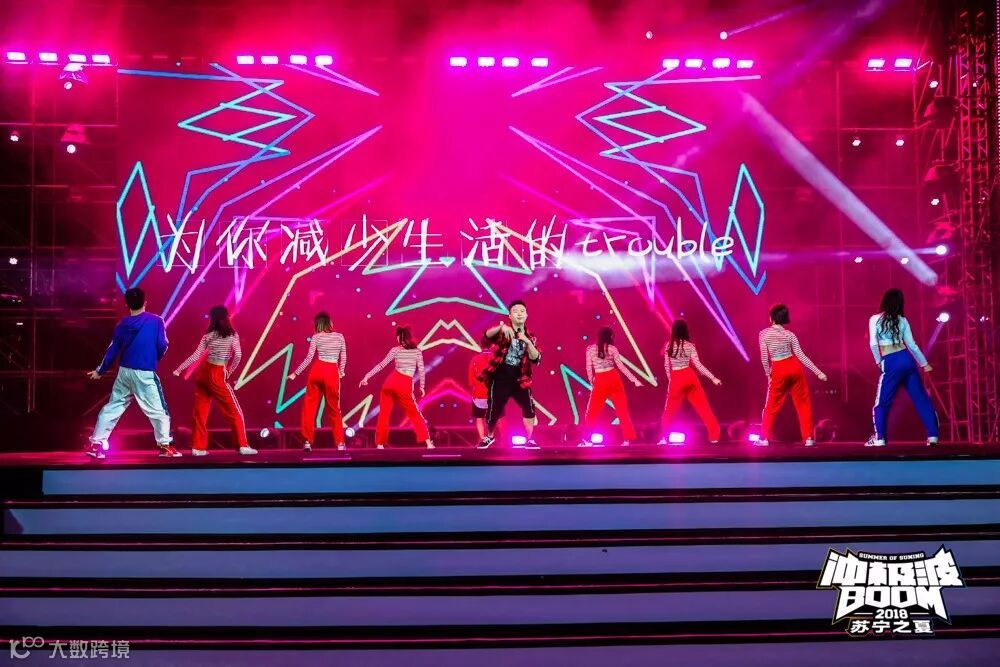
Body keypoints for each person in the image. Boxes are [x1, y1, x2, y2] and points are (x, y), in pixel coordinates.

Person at [86, 288, 179, 458]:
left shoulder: (122, 325)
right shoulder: (156, 321)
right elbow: (163, 345)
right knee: (158, 410)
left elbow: (113, 349)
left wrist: (100, 370)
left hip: (125, 372)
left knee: (113, 407)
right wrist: (152, 358)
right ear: (145, 302)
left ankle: (96, 445)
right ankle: (165, 446)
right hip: (144, 372)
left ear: (126, 304)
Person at [173, 305, 256, 456]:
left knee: (200, 412)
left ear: (212, 319)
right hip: (217, 373)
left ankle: (198, 448)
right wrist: (230, 370)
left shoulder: (208, 335)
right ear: (227, 317)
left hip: (204, 373)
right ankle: (242, 445)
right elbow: (238, 356)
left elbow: (196, 355)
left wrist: (179, 369)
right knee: (235, 412)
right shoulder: (232, 335)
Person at [867, 288, 939, 447]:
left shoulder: (875, 319)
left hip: (890, 361)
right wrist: (924, 363)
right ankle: (933, 436)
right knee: (921, 398)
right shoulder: (902, 320)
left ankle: (879, 438)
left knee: (882, 403)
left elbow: (873, 344)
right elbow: (912, 345)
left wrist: (878, 361)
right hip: (907, 359)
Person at [758, 304, 827, 447]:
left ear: (771, 317)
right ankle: (809, 438)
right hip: (794, 367)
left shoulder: (764, 334)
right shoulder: (790, 335)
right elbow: (801, 355)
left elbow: (764, 358)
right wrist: (818, 372)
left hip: (778, 368)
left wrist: (768, 374)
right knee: (803, 404)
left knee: (771, 406)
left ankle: (764, 438)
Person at [477, 300, 542, 449]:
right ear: (510, 315)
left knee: (529, 407)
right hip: (501, 377)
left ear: (526, 315)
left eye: (522, 311)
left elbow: (536, 359)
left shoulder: (531, 336)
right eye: (515, 311)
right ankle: (489, 436)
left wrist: (527, 342)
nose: (519, 313)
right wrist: (501, 327)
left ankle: (530, 439)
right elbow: (486, 337)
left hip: (521, 379)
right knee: (494, 409)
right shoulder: (503, 331)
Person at [359, 325, 434, 449]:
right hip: (403, 383)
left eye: (398, 336)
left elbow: (381, 365)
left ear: (401, 337)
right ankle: (428, 443)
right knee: (414, 414)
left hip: (391, 382)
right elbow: (421, 370)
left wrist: (367, 376)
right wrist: (422, 386)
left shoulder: (396, 350)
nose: (397, 339)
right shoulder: (416, 351)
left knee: (384, 414)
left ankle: (380, 444)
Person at [288, 312, 347, 452]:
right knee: (334, 409)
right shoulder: (339, 337)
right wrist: (341, 372)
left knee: (309, 407)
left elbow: (309, 358)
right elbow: (344, 357)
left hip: (317, 370)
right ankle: (340, 443)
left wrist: (295, 373)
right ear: (330, 323)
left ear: (317, 324)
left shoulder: (316, 337)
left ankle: (307, 442)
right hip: (331, 371)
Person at [659, 319, 722, 445]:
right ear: (686, 331)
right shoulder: (690, 345)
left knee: (669, 411)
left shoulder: (668, 346)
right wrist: (713, 378)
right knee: (704, 408)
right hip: (689, 376)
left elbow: (666, 366)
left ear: (674, 331)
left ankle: (663, 438)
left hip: (676, 377)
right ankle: (714, 437)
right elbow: (698, 365)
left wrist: (671, 381)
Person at [582, 326, 642, 446]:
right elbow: (621, 366)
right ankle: (628, 439)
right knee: (622, 410)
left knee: (592, 412)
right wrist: (634, 380)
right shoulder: (612, 348)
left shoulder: (590, 349)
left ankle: (586, 439)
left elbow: (588, 367)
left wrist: (591, 381)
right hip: (613, 378)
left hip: (600, 379)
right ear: (610, 336)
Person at [468, 335, 494, 441]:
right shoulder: (497, 359)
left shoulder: (474, 359)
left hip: (479, 395)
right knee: (498, 418)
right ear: (492, 345)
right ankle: (504, 441)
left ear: (480, 345)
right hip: (494, 394)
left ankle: (483, 440)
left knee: (480, 418)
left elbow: (471, 380)